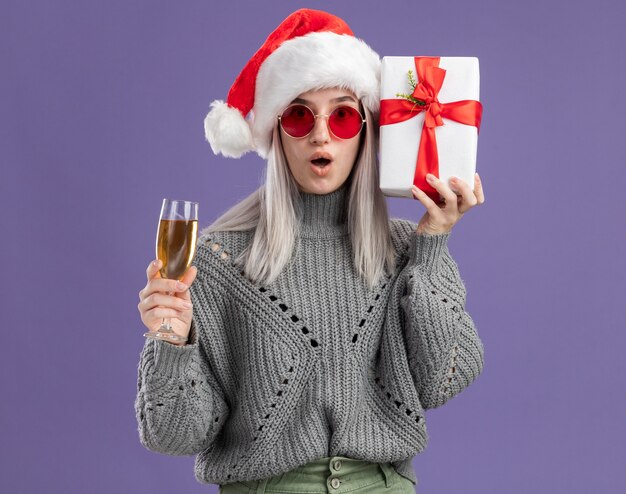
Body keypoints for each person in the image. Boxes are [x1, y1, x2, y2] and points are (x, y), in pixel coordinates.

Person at [135, 8, 485, 493]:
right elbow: (175, 435)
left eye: (342, 115)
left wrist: (433, 243)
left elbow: (442, 379)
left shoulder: (406, 250)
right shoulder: (216, 261)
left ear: (365, 131)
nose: (321, 133)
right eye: (300, 115)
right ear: (277, 132)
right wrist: (169, 341)